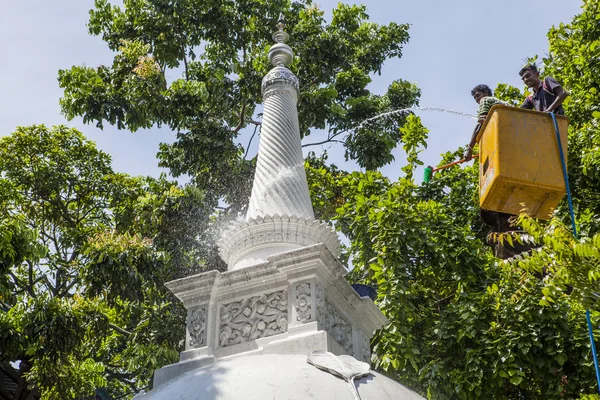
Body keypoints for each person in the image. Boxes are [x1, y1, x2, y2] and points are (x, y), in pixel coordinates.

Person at [464, 84, 507, 161]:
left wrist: (470, 148)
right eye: (475, 98)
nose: (477, 99)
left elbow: (480, 124)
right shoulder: (495, 101)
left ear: (486, 93)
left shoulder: (485, 100)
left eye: (478, 95)